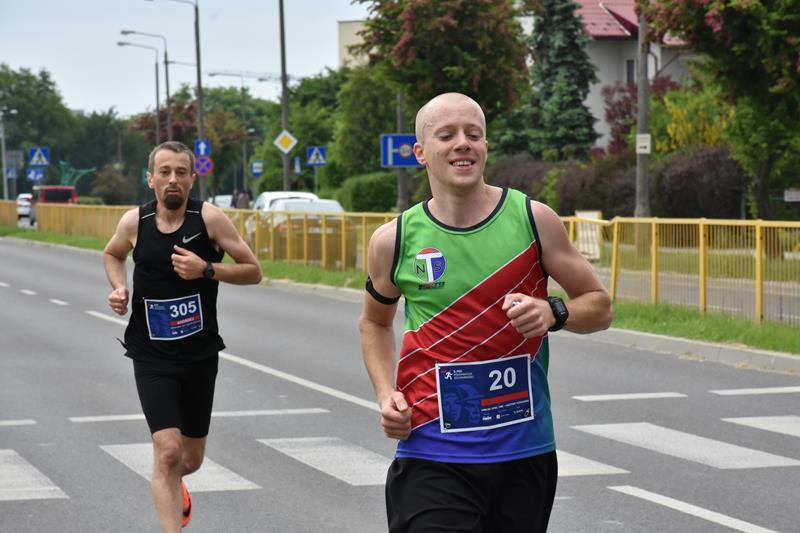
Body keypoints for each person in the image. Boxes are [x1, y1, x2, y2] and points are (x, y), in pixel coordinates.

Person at [358, 93, 612, 532]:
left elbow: (599, 305)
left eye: (473, 134)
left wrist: (553, 312)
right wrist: (386, 394)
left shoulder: (533, 220)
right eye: (446, 135)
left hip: (523, 450)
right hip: (431, 448)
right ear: (420, 152)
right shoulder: (394, 240)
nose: (463, 143)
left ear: (485, 147)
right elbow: (374, 322)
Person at [103, 141, 262, 532]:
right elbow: (112, 254)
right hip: (151, 355)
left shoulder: (209, 220)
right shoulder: (134, 223)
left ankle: (174, 486)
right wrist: (119, 287)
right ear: (150, 179)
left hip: (199, 356)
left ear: (193, 178)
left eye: (180, 172)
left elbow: (253, 271)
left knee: (190, 459)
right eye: (164, 172)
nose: (172, 179)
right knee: (169, 452)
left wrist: (207, 269)